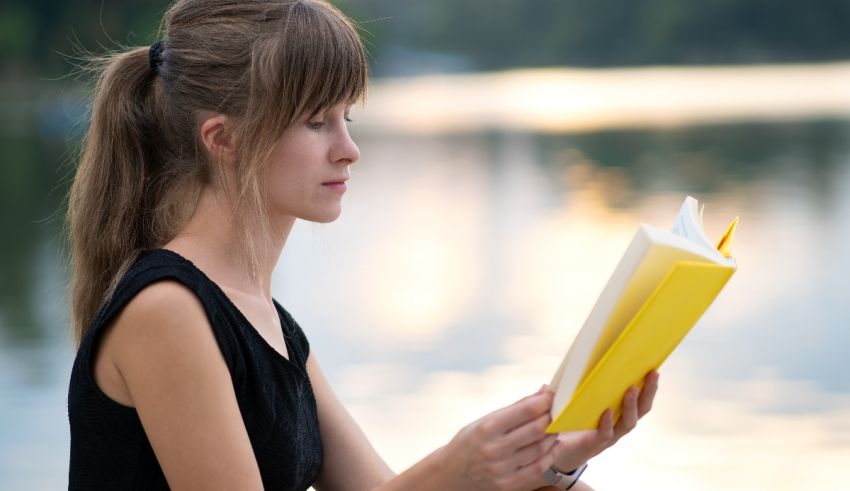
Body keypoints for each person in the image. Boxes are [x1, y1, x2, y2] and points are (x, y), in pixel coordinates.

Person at [66, 1, 659, 490]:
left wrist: (550, 461)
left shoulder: (270, 323)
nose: (349, 149)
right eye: (317, 121)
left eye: (347, 117)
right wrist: (455, 469)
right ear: (225, 140)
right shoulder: (166, 310)